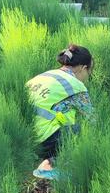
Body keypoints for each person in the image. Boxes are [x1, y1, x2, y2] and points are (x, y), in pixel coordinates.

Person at [26, 44, 94, 180]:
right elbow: (92, 119)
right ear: (83, 68)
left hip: (24, 137)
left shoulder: (43, 76)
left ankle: (47, 163)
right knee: (87, 131)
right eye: (90, 72)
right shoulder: (75, 85)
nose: (87, 77)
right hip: (43, 140)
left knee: (62, 122)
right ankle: (58, 167)